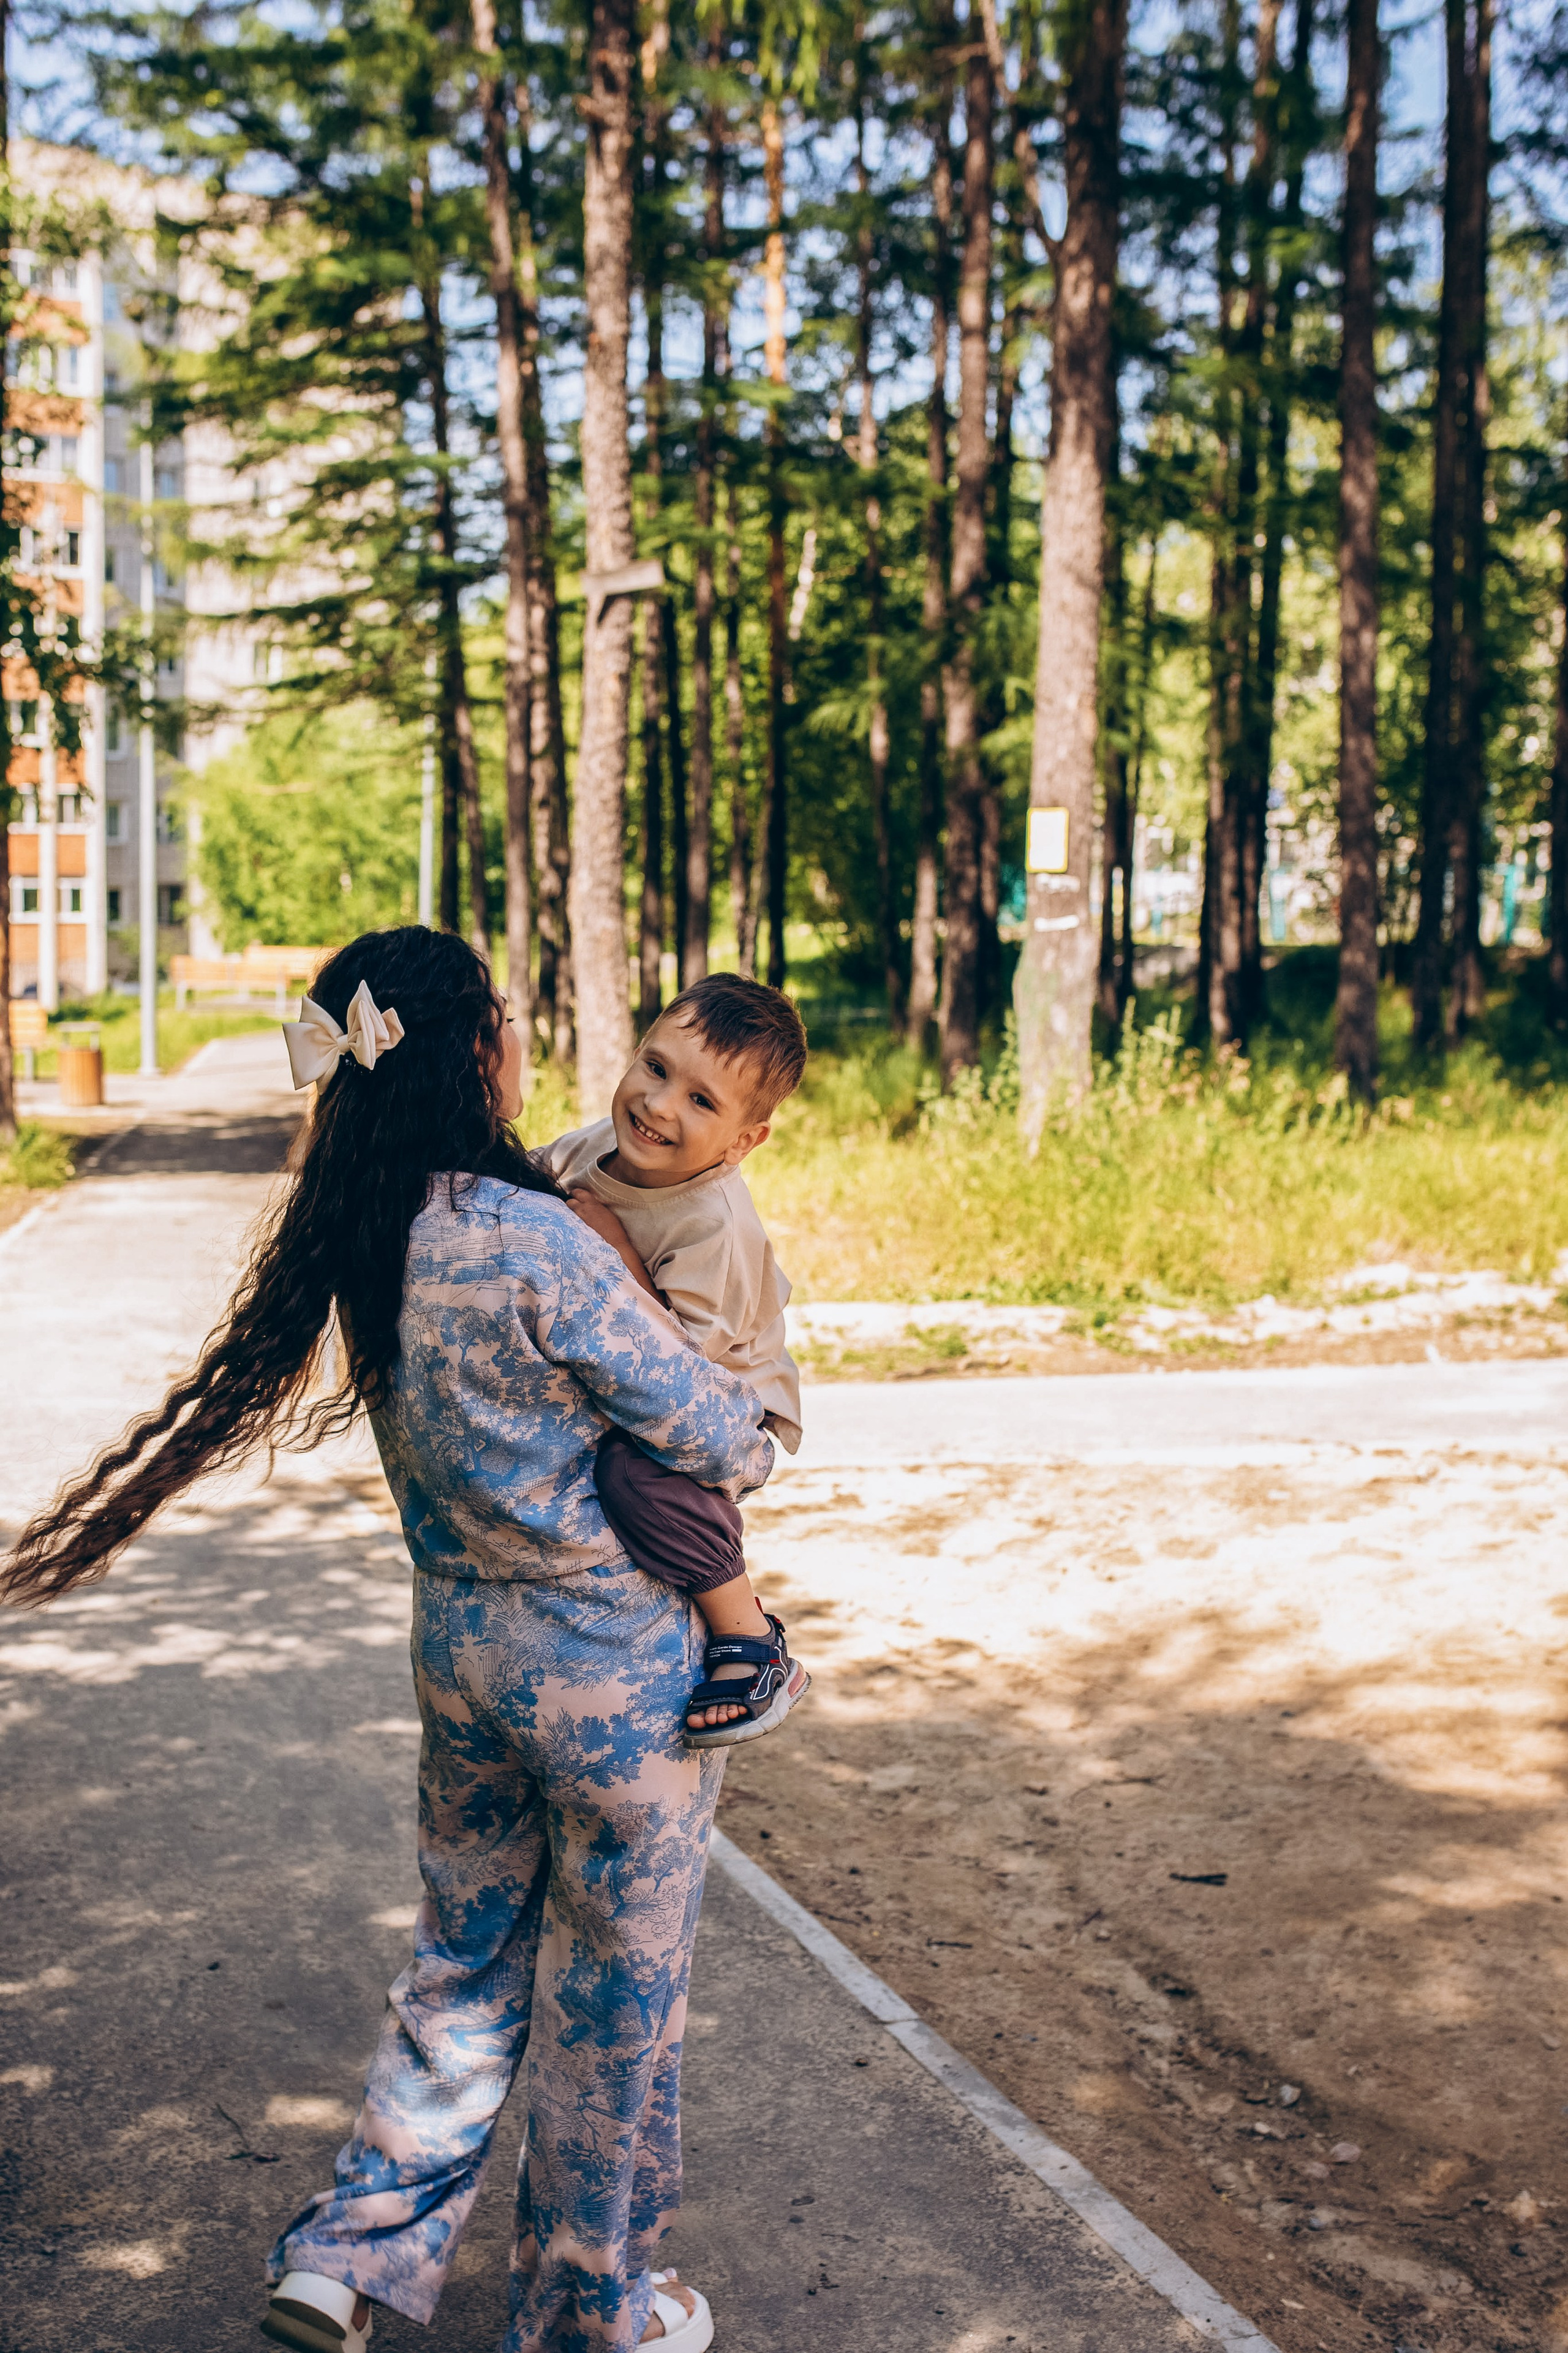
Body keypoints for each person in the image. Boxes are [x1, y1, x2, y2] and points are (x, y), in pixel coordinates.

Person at [0, 927, 777, 2353]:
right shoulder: (542, 1234)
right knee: (618, 2001)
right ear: (478, 1046)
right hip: (610, 1676)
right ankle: (586, 2311)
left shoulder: (369, 1223)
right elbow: (723, 1434)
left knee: (460, 1964)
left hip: (460, 1655)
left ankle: (346, 2260)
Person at [537, 974, 810, 1748]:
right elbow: (529, 1178)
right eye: (656, 1069)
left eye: (702, 1102)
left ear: (742, 1141)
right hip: (643, 1373)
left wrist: (617, 1252)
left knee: (635, 1476)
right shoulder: (600, 1144)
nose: (659, 1107)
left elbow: (687, 1370)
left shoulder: (711, 1223)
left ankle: (749, 1636)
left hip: (726, 1391)